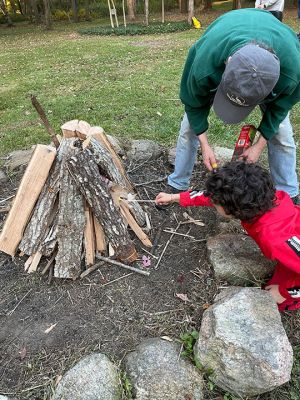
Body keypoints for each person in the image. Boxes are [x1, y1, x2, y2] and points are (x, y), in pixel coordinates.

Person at [167, 9, 300, 205]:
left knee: (282, 132)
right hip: (225, 34)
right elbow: (193, 104)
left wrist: (258, 147)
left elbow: (278, 110)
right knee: (189, 128)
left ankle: (288, 192)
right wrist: (205, 145)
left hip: (277, 51)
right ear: (227, 64)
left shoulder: (292, 72)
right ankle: (178, 182)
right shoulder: (205, 63)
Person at [158, 161, 300, 311]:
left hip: (289, 251)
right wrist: (175, 197)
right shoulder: (264, 197)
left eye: (216, 204)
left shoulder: (274, 239)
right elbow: (212, 196)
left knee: (277, 300)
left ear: (234, 209)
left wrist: (283, 292)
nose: (212, 203)